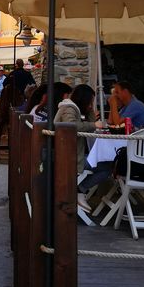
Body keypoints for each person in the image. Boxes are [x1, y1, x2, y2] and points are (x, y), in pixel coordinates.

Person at [54, 84, 103, 212]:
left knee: (103, 164)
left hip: (73, 155)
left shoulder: (75, 109)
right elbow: (71, 125)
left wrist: (89, 110)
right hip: (71, 158)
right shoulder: (69, 109)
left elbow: (91, 125)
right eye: (90, 101)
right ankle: (80, 191)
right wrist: (93, 124)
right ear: (84, 99)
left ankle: (79, 191)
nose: (91, 104)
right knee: (107, 167)